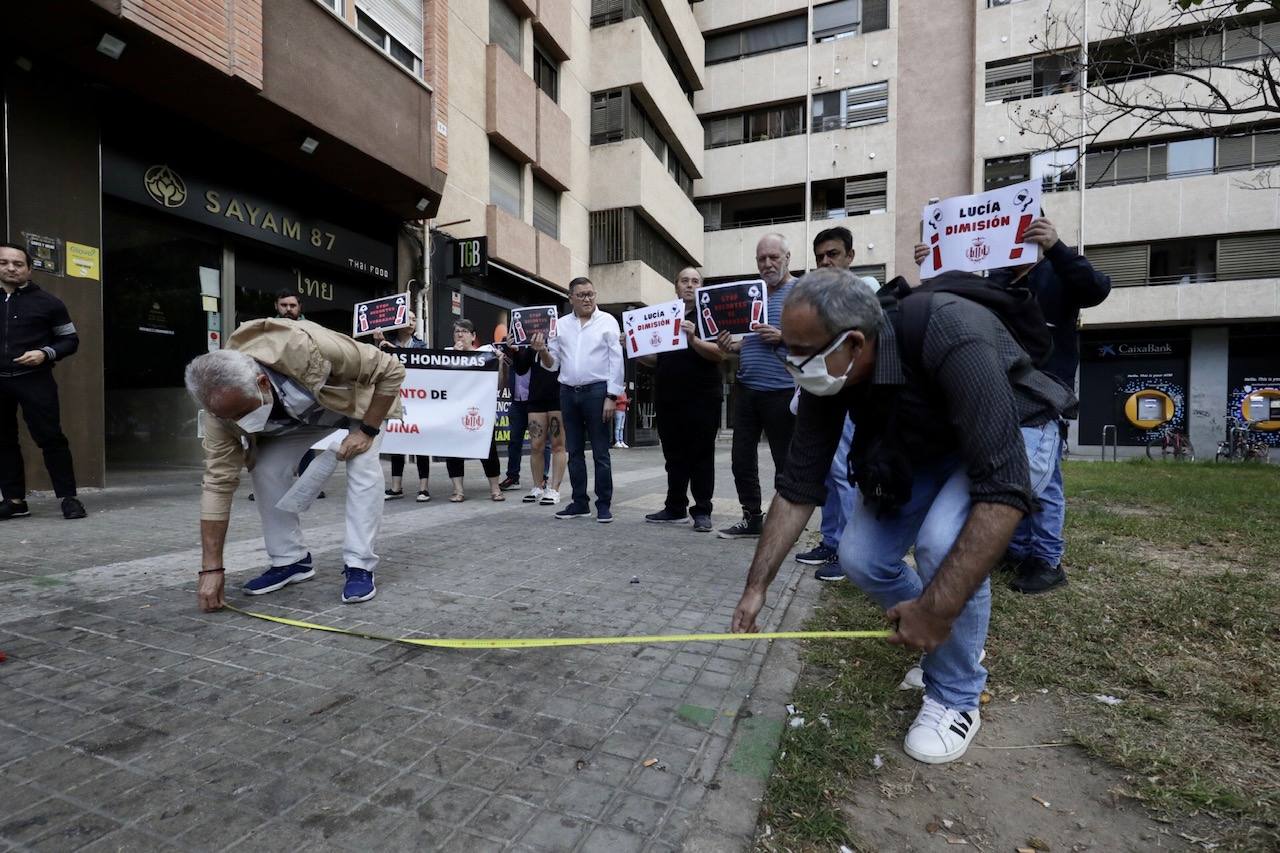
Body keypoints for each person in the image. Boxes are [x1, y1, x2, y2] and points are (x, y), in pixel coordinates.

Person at [730, 268, 1073, 764]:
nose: (792, 363)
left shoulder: (950, 331)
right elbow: (797, 486)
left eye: (801, 352)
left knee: (940, 542)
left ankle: (956, 693)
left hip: (1015, 433)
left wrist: (935, 611)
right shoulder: (831, 373)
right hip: (928, 441)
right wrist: (756, 586)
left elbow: (1003, 487)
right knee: (860, 557)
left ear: (853, 341)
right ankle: (952, 641)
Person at [914, 215, 1111, 594]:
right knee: (1010, 467)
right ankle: (1018, 549)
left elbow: (1096, 289)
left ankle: (1047, 559)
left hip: (1046, 390)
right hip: (1002, 387)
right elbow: (961, 302)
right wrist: (934, 264)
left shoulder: (1057, 270)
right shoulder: (998, 278)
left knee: (1043, 478)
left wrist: (1057, 247)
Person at [183, 316, 405, 610]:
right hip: (301, 419)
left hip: (356, 406)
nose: (236, 423)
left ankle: (359, 564)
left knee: (362, 464)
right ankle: (292, 560)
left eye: (240, 413)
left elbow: (391, 370)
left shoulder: (308, 348)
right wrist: (211, 569)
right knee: (265, 468)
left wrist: (367, 431)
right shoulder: (220, 413)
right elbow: (217, 484)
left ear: (261, 383)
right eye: (228, 417)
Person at [797, 227, 874, 580]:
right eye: (820, 258)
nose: (826, 261)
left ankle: (849, 550)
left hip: (851, 398)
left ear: (850, 256)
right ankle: (830, 540)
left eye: (833, 254)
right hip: (822, 398)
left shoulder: (867, 291)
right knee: (827, 473)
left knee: (844, 473)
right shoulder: (818, 302)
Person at [715, 233, 797, 539]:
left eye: (774, 257)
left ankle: (784, 526)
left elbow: (819, 338)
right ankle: (752, 519)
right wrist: (730, 346)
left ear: (788, 257)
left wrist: (783, 337)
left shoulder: (801, 291)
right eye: (761, 258)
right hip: (747, 390)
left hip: (784, 390)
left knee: (784, 464)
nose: (767, 263)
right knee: (740, 461)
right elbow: (747, 342)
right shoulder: (751, 294)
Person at [0, 243, 85, 520]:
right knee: (3, 441)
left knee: (50, 438)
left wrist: (44, 353)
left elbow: (70, 340)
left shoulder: (50, 303)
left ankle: (69, 498)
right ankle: (14, 501)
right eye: (4, 263)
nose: (11, 268)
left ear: (29, 269)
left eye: (18, 263)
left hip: (35, 380)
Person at [639, 267, 726, 532]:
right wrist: (633, 348)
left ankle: (702, 511)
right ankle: (675, 507)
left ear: (701, 287)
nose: (689, 285)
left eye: (695, 281)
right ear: (675, 286)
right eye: (684, 281)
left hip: (702, 397)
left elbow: (720, 354)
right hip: (668, 397)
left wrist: (692, 338)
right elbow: (657, 359)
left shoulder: (711, 315)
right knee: (673, 456)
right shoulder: (665, 316)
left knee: (701, 455)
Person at [531, 277, 624, 523]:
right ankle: (580, 503)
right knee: (574, 451)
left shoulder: (608, 322)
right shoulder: (559, 325)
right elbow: (553, 365)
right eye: (581, 295)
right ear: (570, 297)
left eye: (591, 294)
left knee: (601, 452)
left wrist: (612, 396)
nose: (587, 299)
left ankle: (603, 505)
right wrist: (541, 351)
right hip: (568, 392)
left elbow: (616, 360)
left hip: (597, 392)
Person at [443, 319, 505, 502]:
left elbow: (499, 385)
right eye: (456, 332)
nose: (460, 335)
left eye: (464, 331)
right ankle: (458, 490)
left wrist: (499, 364)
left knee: (488, 450)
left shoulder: (486, 354)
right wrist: (454, 358)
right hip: (454, 411)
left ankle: (495, 489)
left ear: (473, 336)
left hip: (480, 411)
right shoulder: (447, 354)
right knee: (453, 450)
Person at [374, 313, 431, 502]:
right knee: (397, 440)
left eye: (414, 319)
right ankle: (396, 487)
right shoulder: (384, 343)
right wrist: (379, 345)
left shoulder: (422, 346)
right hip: (396, 397)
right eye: (407, 318)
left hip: (418, 399)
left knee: (421, 443)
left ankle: (423, 488)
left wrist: (396, 350)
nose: (411, 322)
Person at [511, 340, 566, 506]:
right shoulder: (532, 341)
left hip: (558, 396)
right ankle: (538, 487)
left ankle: (554, 489)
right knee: (536, 445)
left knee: (558, 445)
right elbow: (521, 369)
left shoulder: (561, 338)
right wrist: (514, 351)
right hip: (536, 397)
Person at [498, 340, 551, 492]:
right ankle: (513, 477)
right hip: (517, 401)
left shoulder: (537, 345)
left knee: (542, 441)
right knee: (514, 441)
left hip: (535, 400)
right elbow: (506, 375)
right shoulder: (510, 347)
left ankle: (543, 477)